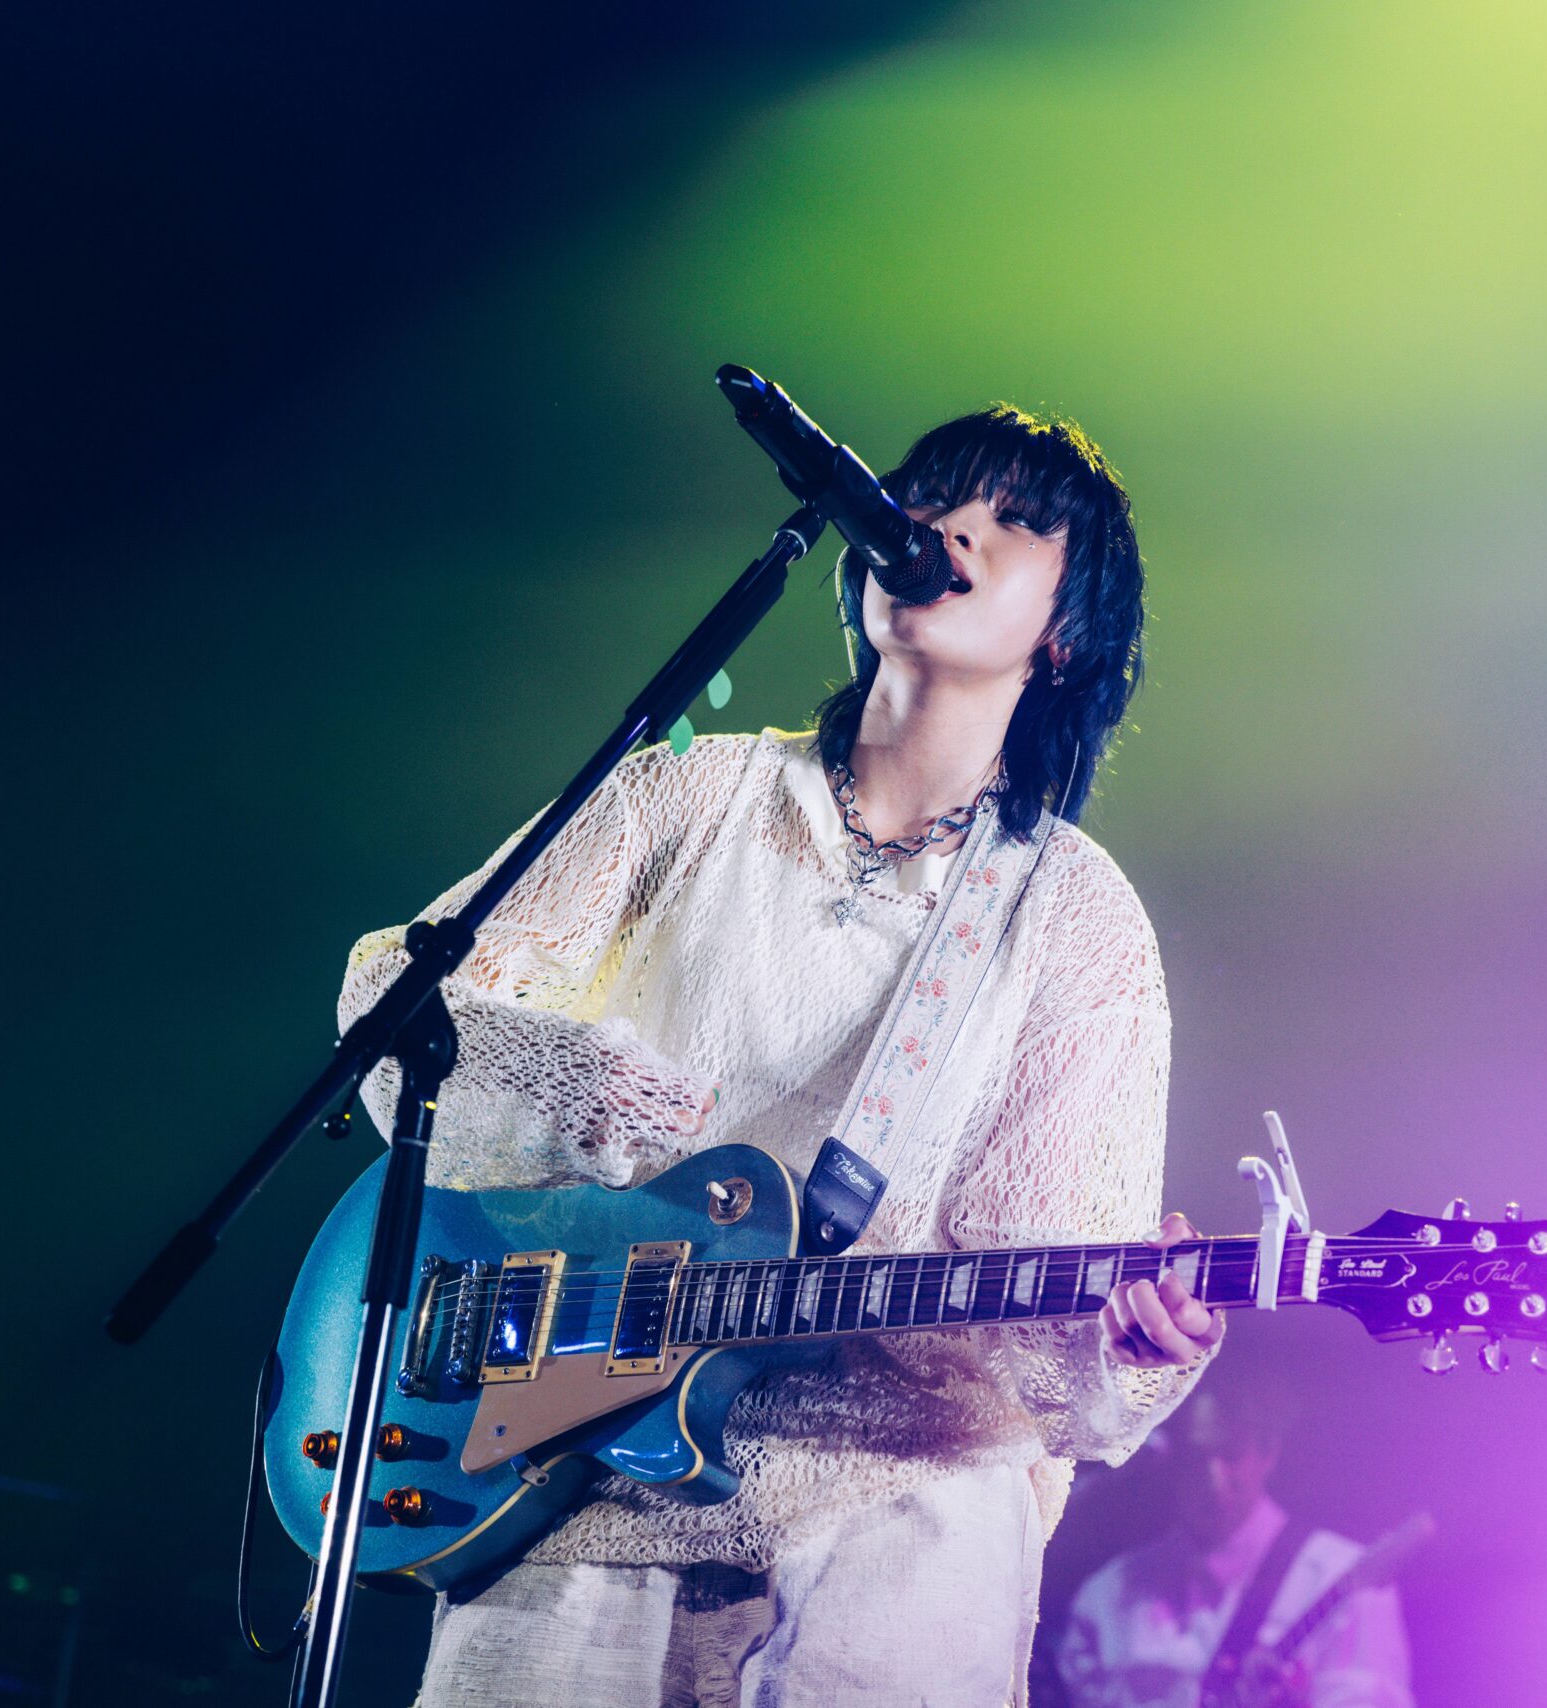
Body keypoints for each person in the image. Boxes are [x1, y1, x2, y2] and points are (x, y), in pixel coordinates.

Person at [335, 404, 1224, 1706]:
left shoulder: (1072, 915)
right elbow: (393, 996)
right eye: (930, 497)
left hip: (896, 1510)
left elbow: (1045, 1308)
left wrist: (1129, 1350)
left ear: (1068, 631)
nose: (949, 528)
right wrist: (579, 1084)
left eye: (1012, 520)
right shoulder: (688, 796)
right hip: (574, 1464)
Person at [1054, 1386, 1413, 1708]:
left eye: (1230, 1454)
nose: (1212, 1477)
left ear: (1268, 1452)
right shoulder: (1106, 1595)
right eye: (1196, 1457)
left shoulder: (1339, 1578)